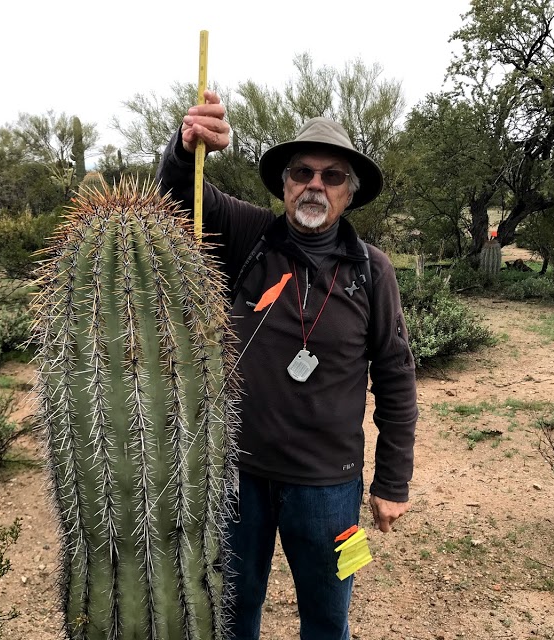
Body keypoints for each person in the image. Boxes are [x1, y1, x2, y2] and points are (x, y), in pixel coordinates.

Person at [156, 90, 418, 640]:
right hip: (237, 480)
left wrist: (392, 480)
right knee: (230, 617)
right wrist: (185, 148)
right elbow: (180, 197)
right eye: (302, 171)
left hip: (332, 489)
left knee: (329, 619)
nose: (315, 185)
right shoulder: (248, 237)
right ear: (284, 182)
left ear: (350, 192)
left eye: (332, 176)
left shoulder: (374, 272)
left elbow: (396, 377)